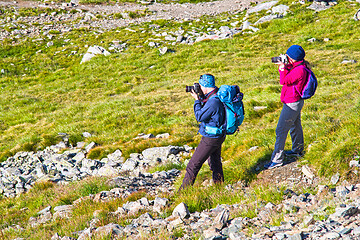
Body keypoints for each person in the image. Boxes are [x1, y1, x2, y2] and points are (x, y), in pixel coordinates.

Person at [265, 45, 310, 169]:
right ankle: (298, 150)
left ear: (293, 59)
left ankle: (277, 160)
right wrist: (284, 64)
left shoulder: (299, 70)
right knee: (295, 125)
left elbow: (284, 80)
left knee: (281, 130)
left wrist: (282, 68)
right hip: (295, 101)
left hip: (292, 103)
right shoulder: (298, 66)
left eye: (288, 56)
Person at [179, 74, 226, 190]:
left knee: (193, 165)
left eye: (200, 85)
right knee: (215, 162)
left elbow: (199, 116)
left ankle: (182, 193)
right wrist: (201, 98)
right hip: (218, 135)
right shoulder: (217, 94)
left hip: (211, 138)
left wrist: (196, 101)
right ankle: (219, 188)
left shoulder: (213, 102)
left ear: (204, 85)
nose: (198, 88)